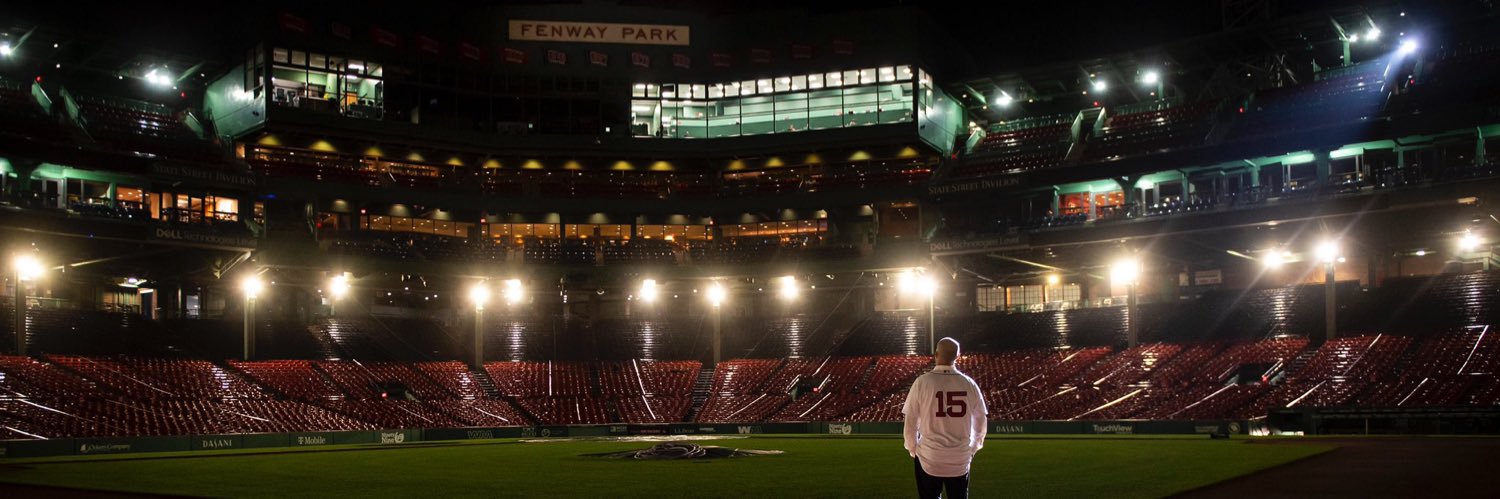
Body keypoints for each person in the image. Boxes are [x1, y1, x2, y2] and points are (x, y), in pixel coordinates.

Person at [903, 337, 987, 499]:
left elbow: (911, 422)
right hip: (959, 458)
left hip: (929, 457)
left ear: (936, 354)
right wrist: (973, 448)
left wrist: (913, 449)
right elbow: (980, 421)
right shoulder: (969, 383)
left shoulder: (922, 382)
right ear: (958, 356)